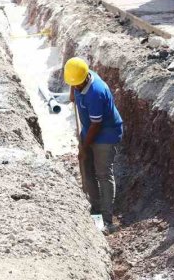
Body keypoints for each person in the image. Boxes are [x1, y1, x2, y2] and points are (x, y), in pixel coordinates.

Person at [65, 57, 124, 234]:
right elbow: (73, 85)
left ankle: (107, 220)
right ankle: (95, 209)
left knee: (103, 174)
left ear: (85, 78)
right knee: (86, 168)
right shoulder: (79, 78)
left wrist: (84, 146)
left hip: (106, 134)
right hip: (89, 132)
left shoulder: (96, 92)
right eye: (72, 84)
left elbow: (96, 125)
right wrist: (72, 89)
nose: (75, 87)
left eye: (77, 84)